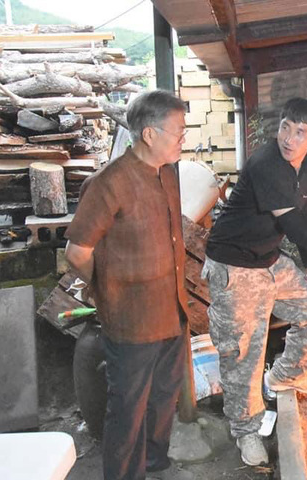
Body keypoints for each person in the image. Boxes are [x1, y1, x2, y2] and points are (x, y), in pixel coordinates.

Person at [202, 97, 307, 466]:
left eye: (300, 132)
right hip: (235, 264)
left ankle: (281, 378)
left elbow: (304, 217)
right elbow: (295, 229)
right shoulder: (267, 165)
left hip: (269, 258)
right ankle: (246, 432)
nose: (289, 138)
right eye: (285, 126)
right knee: (244, 352)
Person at [65, 90, 193, 480]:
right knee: (128, 406)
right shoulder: (109, 183)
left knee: (163, 396)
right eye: (178, 132)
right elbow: (77, 250)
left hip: (172, 309)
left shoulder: (167, 173)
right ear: (150, 134)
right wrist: (107, 286)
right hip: (132, 318)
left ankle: (155, 463)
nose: (183, 140)